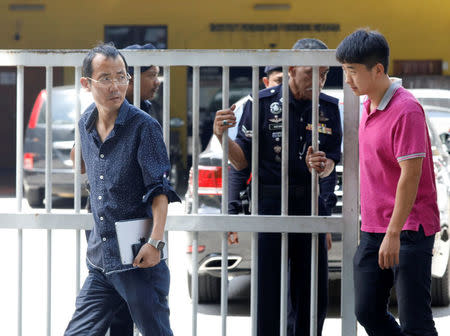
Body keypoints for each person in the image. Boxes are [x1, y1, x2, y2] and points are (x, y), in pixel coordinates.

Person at [214, 38, 342, 336]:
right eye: (311, 73)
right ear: (292, 68)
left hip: (311, 209)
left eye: (324, 74)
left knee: (311, 297)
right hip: (269, 206)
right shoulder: (260, 104)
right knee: (267, 294)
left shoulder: (329, 108)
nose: (319, 81)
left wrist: (322, 167)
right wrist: (223, 138)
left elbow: (333, 163)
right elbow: (242, 161)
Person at [64, 42, 180, 336]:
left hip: (138, 261)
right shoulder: (85, 124)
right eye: (105, 78)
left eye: (122, 76)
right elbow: (87, 168)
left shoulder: (145, 127)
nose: (115, 86)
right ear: (86, 83)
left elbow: (159, 191)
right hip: (101, 261)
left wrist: (155, 244)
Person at [336, 29, 440, 336]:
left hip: (408, 229)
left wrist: (394, 233)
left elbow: (411, 175)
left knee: (415, 322)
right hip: (372, 227)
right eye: (345, 71)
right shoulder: (365, 106)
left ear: (378, 69)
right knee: (366, 309)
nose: (348, 80)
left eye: (352, 72)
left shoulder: (406, 110)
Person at [124, 43, 161, 122]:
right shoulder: (114, 111)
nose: (157, 82)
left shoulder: (147, 105)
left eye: (157, 75)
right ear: (130, 79)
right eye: (152, 75)